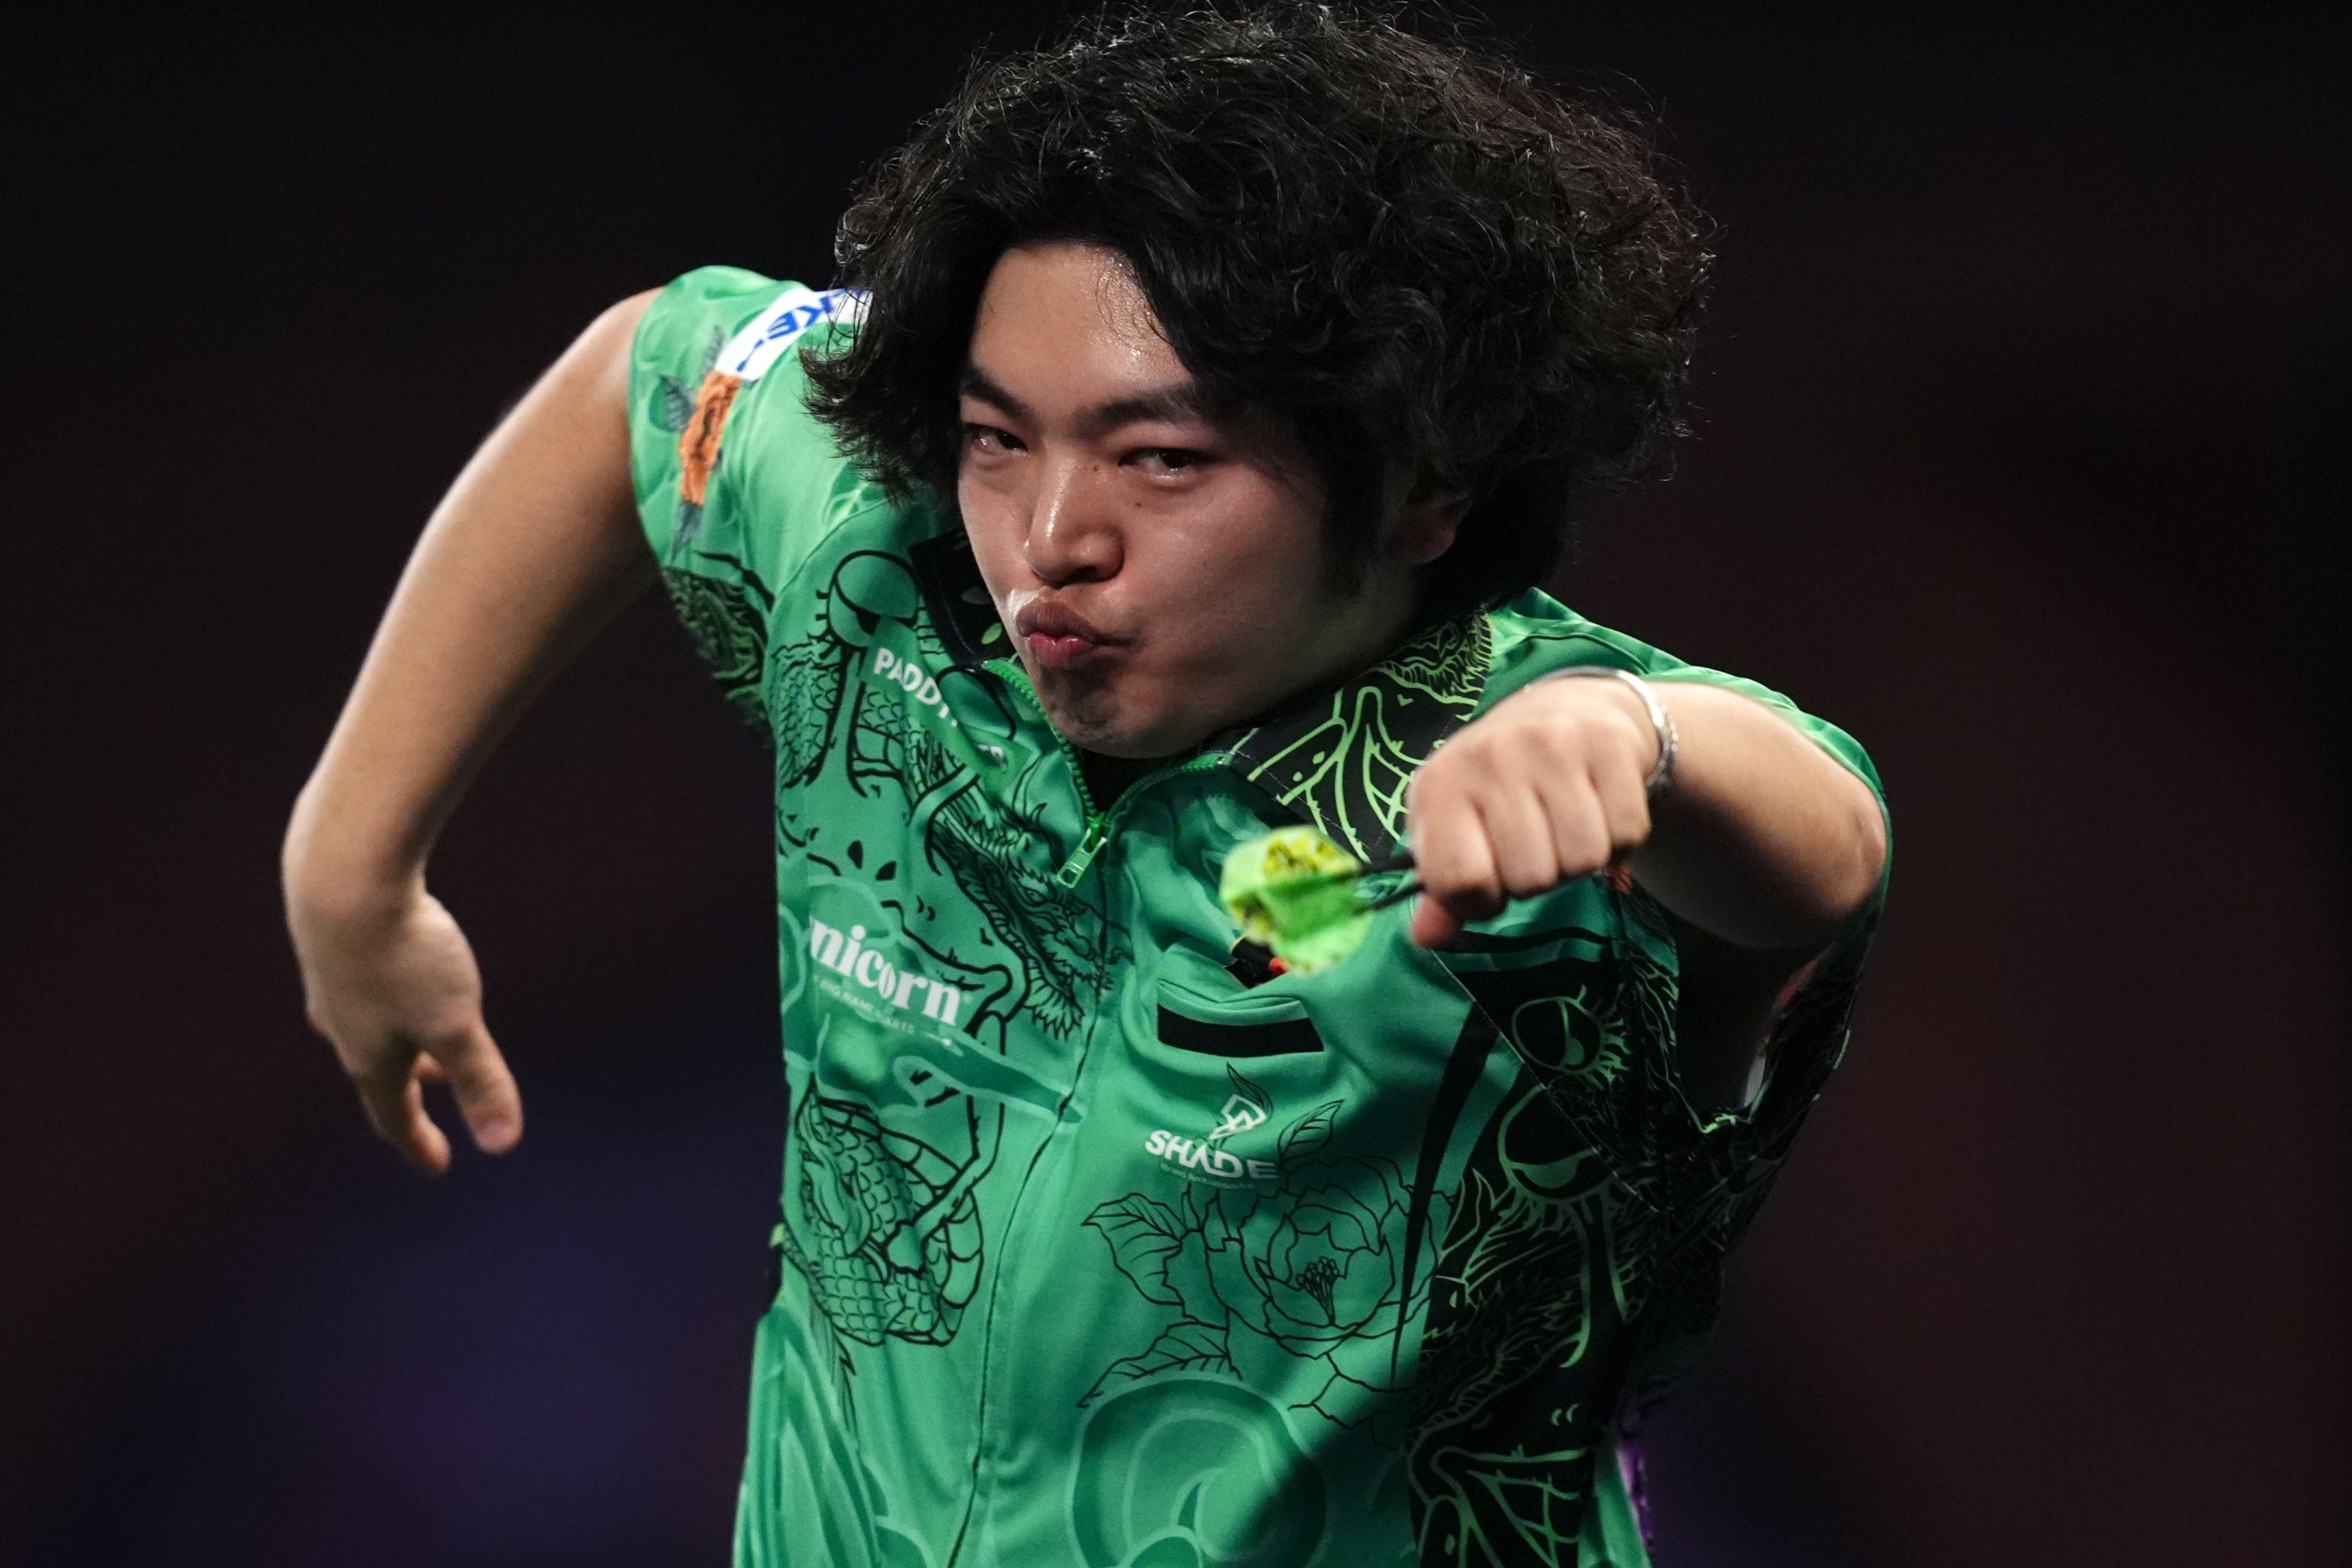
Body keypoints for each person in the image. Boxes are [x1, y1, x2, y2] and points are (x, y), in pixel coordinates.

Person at [281, 7, 1888, 1565]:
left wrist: (1635, 747)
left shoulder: (1543, 774)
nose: (1053, 540)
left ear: (1424, 485)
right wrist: (354, 864)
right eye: (999, 437)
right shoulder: (890, 567)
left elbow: (1820, 848)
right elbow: (656, 368)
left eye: (1164, 459)